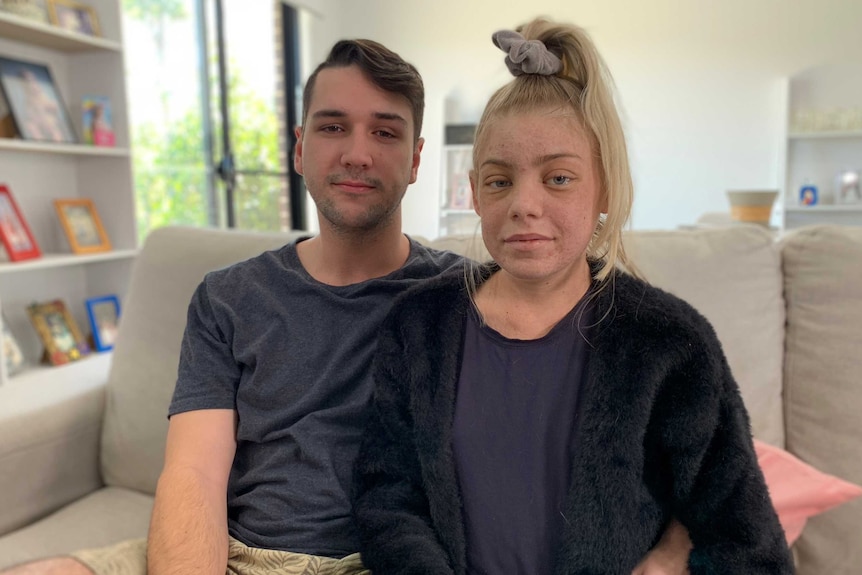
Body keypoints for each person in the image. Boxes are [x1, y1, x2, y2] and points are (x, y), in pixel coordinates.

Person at [2, 36, 692, 575]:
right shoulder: (228, 297)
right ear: (300, 148)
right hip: (233, 551)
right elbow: (192, 472)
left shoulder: (467, 299)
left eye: (386, 132)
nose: (358, 152)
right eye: (333, 127)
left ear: (418, 158)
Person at [352, 18, 794, 575]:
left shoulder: (668, 343)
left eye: (558, 178)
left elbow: (745, 540)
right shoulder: (419, 325)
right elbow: (387, 497)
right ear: (475, 194)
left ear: (604, 187)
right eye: (499, 180)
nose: (524, 204)